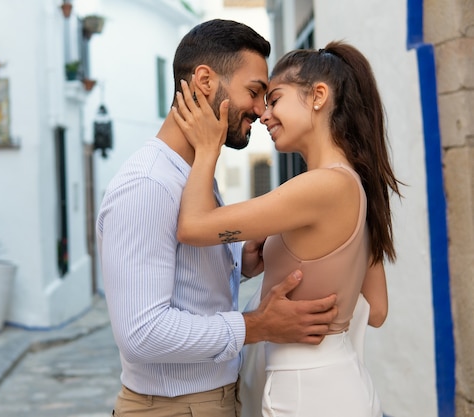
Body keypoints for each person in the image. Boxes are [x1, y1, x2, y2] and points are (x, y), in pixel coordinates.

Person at [96, 19, 339, 417]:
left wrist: (239, 262)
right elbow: (141, 333)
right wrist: (258, 325)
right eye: (255, 92)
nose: (262, 111)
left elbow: (185, 281)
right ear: (205, 81)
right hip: (174, 408)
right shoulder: (148, 185)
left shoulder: (189, 174)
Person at [172, 40, 402, 417]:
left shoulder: (322, 186)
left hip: (307, 393)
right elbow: (376, 310)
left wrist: (207, 148)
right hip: (341, 384)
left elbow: (193, 227)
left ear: (318, 96)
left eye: (274, 98)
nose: (264, 114)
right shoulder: (352, 184)